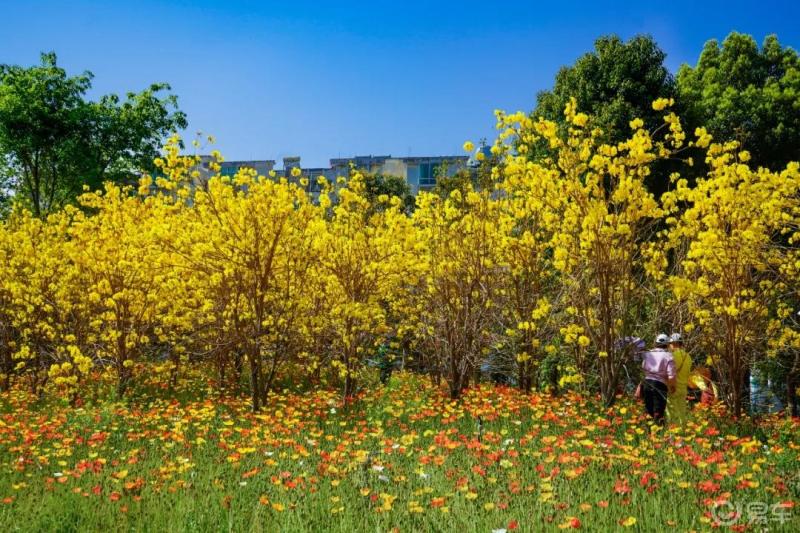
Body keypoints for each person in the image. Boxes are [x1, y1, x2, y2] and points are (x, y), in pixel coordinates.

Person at [641, 333, 676, 425]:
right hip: (660, 384)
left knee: (648, 409)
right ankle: (658, 432)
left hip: (647, 383)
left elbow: (643, 367)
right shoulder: (668, 356)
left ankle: (648, 431)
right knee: (659, 410)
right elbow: (671, 375)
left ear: (656, 343)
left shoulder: (648, 354)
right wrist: (672, 387)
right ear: (667, 344)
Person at [666, 333, 692, 425]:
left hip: (673, 388)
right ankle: (683, 433)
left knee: (672, 414)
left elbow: (669, 372)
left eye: (670, 344)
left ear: (673, 343)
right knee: (682, 413)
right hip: (683, 388)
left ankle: (674, 435)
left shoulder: (672, 355)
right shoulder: (688, 356)